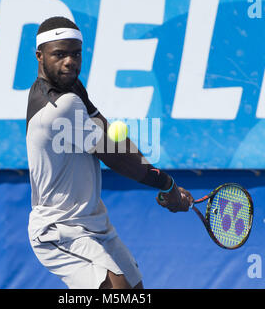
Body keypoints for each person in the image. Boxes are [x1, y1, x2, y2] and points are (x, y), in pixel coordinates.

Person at [25, 16, 193, 289]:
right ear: (40, 56)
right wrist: (166, 184)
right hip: (59, 229)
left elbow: (113, 137)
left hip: (95, 223)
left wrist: (163, 182)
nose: (70, 61)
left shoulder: (73, 89)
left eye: (75, 54)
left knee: (134, 289)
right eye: (59, 54)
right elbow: (114, 157)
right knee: (118, 291)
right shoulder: (61, 106)